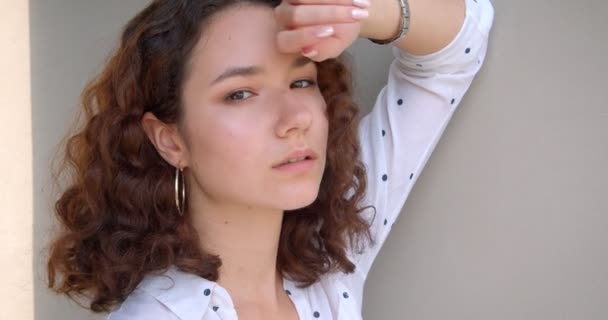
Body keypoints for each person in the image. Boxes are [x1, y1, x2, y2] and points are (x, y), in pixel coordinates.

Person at [46, 0, 494, 319]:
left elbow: (457, 50)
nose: (294, 119)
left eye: (301, 82)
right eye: (240, 94)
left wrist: (358, 11)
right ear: (170, 140)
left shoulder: (331, 261)